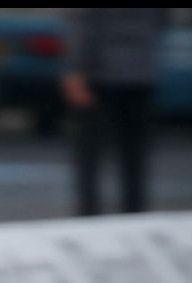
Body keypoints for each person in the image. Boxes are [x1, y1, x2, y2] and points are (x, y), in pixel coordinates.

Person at [63, 9, 168, 215]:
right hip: (141, 72)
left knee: (90, 154)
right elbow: (162, 22)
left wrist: (76, 69)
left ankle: (89, 213)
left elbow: (83, 25)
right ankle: (134, 211)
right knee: (134, 154)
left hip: (100, 74)